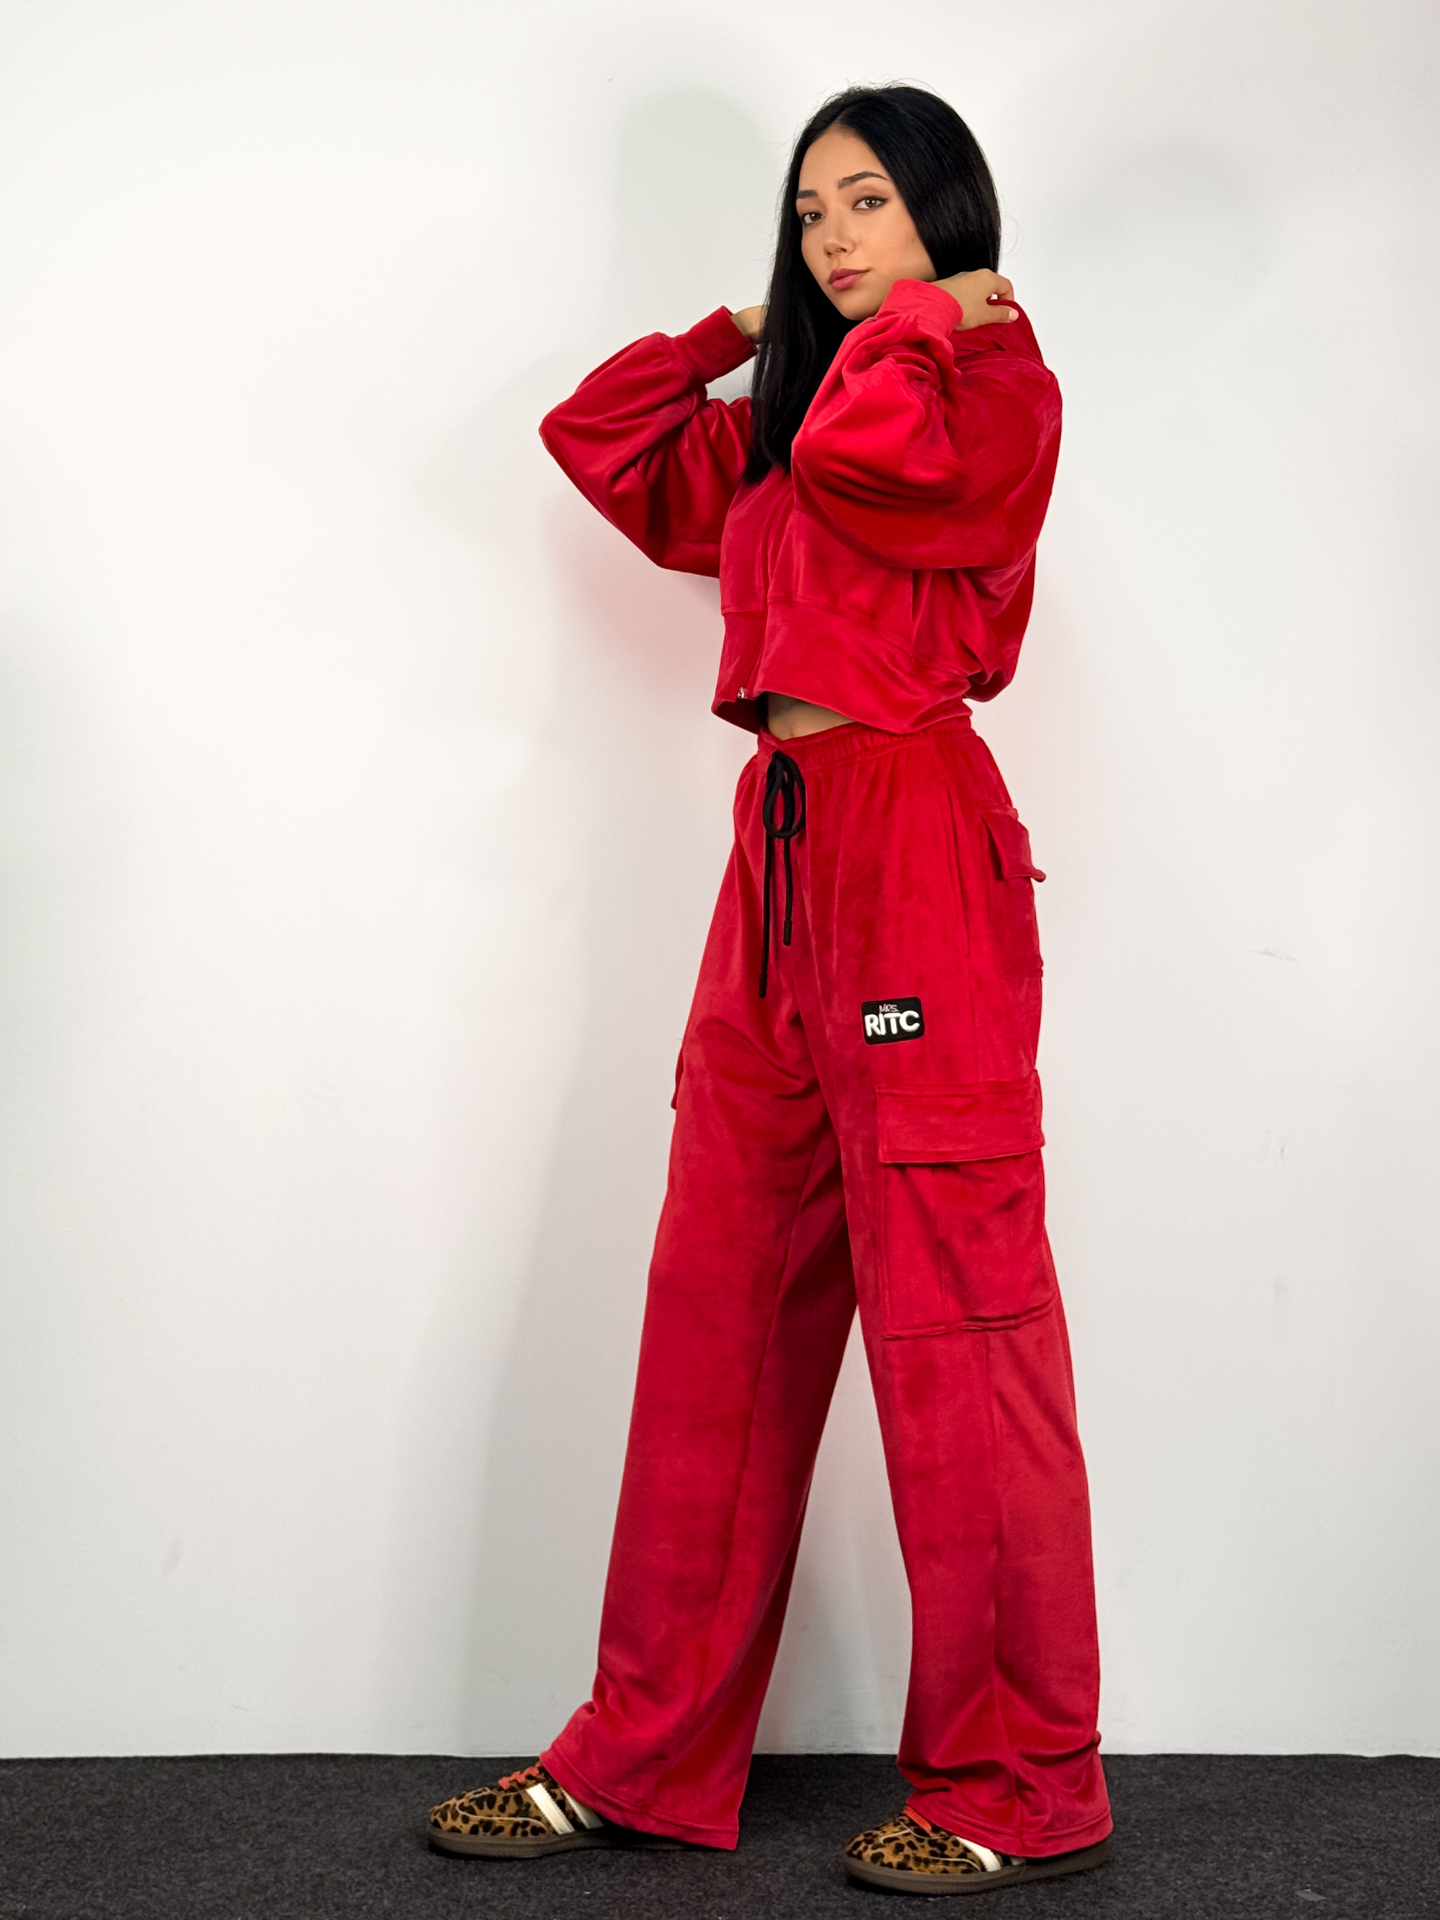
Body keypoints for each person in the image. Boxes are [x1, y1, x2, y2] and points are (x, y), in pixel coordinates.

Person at [425, 83, 1113, 1896]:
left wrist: (913, 318)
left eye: (866, 199)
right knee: (716, 1311)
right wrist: (749, 323)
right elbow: (600, 439)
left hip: (914, 851)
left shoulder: (983, 383)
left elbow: (884, 461)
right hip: (781, 856)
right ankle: (644, 1753)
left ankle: (1020, 1785)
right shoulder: (804, 404)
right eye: (808, 211)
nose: (830, 234)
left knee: (960, 1331)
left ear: (945, 207)